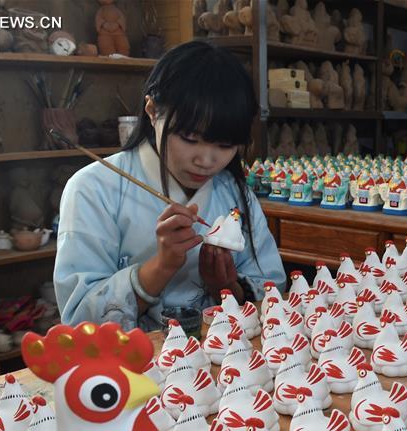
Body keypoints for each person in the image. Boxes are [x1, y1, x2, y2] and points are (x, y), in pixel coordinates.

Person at [55, 40, 285, 331]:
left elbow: (273, 290)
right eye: (189, 138)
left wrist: (226, 287)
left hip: (223, 354)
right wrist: (160, 267)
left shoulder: (235, 193)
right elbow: (79, 320)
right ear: (152, 110)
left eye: (225, 145)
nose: (206, 161)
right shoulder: (93, 189)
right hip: (137, 358)